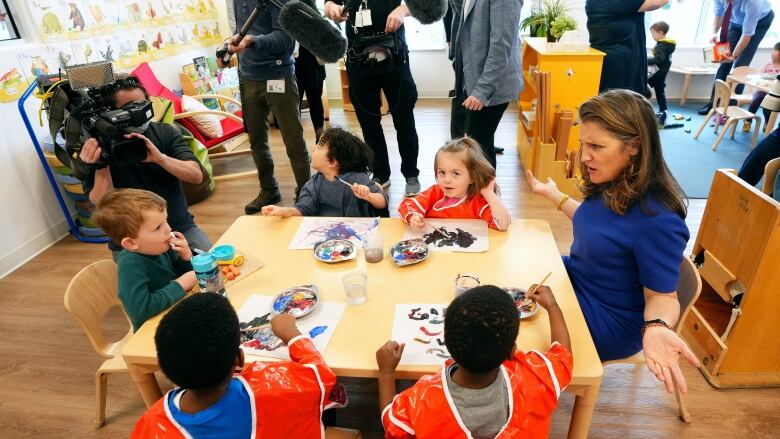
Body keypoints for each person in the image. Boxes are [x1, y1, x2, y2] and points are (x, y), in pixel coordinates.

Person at [526, 90, 700, 393]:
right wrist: (555, 195)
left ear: (633, 147)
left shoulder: (658, 219)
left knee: (520, 330)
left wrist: (657, 328)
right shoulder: (611, 180)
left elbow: (663, 297)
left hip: (609, 317)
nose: (585, 155)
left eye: (596, 146)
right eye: (584, 144)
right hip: (580, 278)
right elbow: (598, 225)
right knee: (515, 273)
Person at [131, 293, 343, 437]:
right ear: (239, 359)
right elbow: (320, 375)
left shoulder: (150, 424)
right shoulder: (271, 390)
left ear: (166, 366)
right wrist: (291, 335)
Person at [376, 285, 573, 438]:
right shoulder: (536, 377)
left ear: (448, 344)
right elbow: (563, 355)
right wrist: (552, 307)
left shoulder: (421, 401)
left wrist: (386, 372)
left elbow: (392, 423)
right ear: (513, 351)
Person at [79, 77, 211, 259]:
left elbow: (196, 176)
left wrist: (161, 159)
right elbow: (101, 203)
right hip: (132, 241)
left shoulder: (165, 132)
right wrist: (102, 165)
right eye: (131, 108)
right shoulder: (94, 148)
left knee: (210, 267)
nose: (140, 113)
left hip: (178, 228)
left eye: (143, 105)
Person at [324, 0, 422, 196]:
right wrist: (331, 10)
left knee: (404, 119)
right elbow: (328, 5)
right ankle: (380, 172)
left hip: (394, 55)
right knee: (368, 122)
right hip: (358, 59)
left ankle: (411, 173)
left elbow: (424, 4)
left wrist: (402, 10)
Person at [223, 0, 312, 214]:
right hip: (247, 76)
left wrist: (251, 41)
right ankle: (269, 189)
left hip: (278, 75)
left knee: (293, 140)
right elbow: (239, 32)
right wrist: (226, 49)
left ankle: (307, 193)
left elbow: (286, 40)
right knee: (256, 140)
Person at [91, 189, 196, 332]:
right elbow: (139, 310)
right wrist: (180, 285)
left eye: (166, 221)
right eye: (158, 227)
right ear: (131, 243)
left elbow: (186, 274)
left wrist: (186, 257)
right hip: (155, 330)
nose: (168, 229)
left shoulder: (161, 246)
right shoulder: (131, 264)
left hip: (176, 312)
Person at [449, 0, 522, 168]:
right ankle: (488, 193)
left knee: (476, 150)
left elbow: (501, 45)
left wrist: (482, 90)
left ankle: (484, 193)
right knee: (483, 148)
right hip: (472, 78)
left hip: (492, 85)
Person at [262, 127, 389, 217]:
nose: (314, 149)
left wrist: (368, 196)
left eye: (318, 146)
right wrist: (285, 211)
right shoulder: (314, 183)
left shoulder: (358, 179)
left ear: (332, 162)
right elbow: (303, 209)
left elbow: (383, 201)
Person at [398, 137, 511, 231]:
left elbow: (502, 225)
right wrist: (413, 217)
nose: (446, 179)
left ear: (472, 177)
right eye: (442, 172)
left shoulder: (478, 201)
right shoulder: (435, 192)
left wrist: (489, 193)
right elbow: (406, 205)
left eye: (455, 173)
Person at [698, 0, 775, 115]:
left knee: (740, 66)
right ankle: (713, 104)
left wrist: (734, 56)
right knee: (724, 63)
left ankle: (731, 108)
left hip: (760, 22)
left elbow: (746, 34)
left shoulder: (753, 2)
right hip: (734, 22)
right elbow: (719, 15)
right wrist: (714, 33)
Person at [586, 0, 670, 93]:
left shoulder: (592, 2)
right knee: (623, 104)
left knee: (607, 102)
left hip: (606, 63)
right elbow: (656, 2)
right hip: (621, 67)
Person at [295, 0, 328, 145]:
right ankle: (298, 143)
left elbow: (321, 28)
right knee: (294, 104)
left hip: (312, 60)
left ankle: (319, 137)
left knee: (315, 99)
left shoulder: (311, 5)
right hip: (293, 61)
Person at [646, 21, 676, 124]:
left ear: (661, 33)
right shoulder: (667, 44)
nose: (652, 36)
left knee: (642, 88)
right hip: (661, 73)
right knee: (660, 92)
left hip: (656, 73)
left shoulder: (661, 45)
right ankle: (664, 110)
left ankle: (642, 110)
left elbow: (659, 59)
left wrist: (645, 60)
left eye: (653, 34)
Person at [745, 41, 780, 127]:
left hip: (774, 93)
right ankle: (748, 121)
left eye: (776, 51)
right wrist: (766, 76)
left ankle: (768, 124)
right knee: (755, 101)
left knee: (768, 108)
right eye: (774, 51)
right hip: (762, 90)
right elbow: (758, 74)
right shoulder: (768, 63)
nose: (773, 53)